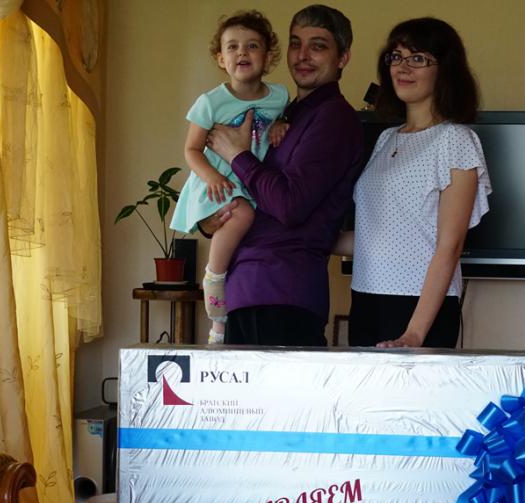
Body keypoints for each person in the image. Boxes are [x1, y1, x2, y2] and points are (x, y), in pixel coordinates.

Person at [201, 4, 363, 346]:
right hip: (248, 288)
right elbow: (249, 191)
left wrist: (237, 154)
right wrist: (212, 219)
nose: (302, 56)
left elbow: (290, 205)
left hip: (282, 290)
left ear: (343, 58)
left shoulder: (335, 118)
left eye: (318, 46)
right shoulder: (283, 114)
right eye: (295, 43)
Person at [344, 17, 491, 348]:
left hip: (419, 309)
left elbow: (449, 245)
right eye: (396, 56)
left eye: (418, 58)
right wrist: (300, 237)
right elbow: (376, 235)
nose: (403, 67)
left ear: (445, 70)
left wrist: (414, 333)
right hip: (365, 299)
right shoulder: (386, 139)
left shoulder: (455, 140)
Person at [169, 10, 289, 344]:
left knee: (249, 235)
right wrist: (211, 178)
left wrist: (281, 124)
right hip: (219, 181)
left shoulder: (279, 96)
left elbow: (282, 123)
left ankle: (220, 324)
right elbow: (192, 149)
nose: (242, 53)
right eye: (232, 47)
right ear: (221, 59)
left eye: (252, 46)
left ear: (268, 57)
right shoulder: (210, 102)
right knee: (242, 216)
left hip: (251, 180)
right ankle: (214, 275)